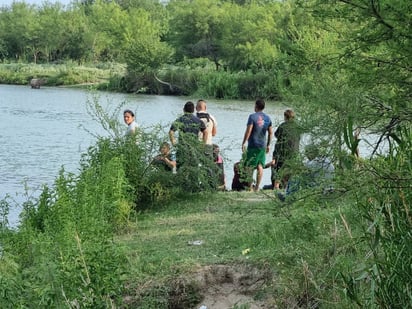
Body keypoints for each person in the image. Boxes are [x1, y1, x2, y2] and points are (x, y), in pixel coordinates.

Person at [241, 98, 273, 192]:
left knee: (250, 165)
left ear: (256, 106)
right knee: (260, 165)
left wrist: (244, 142)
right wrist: (268, 145)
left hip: (253, 144)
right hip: (262, 145)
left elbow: (249, 130)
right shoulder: (267, 118)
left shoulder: (252, 117)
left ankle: (250, 187)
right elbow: (271, 132)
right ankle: (257, 187)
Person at [169, 101, 207, 168]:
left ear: (184, 110)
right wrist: (203, 144)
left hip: (182, 147)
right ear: (193, 110)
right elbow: (205, 132)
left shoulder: (180, 119)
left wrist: (174, 143)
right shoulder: (198, 120)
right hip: (194, 148)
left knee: (180, 167)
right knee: (193, 167)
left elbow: (171, 132)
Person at [268, 108, 300, 190]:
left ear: (285, 117)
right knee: (291, 171)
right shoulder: (297, 127)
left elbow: (277, 135)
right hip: (294, 152)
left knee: (279, 170)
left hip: (283, 153)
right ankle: (290, 188)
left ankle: (276, 187)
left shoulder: (283, 126)